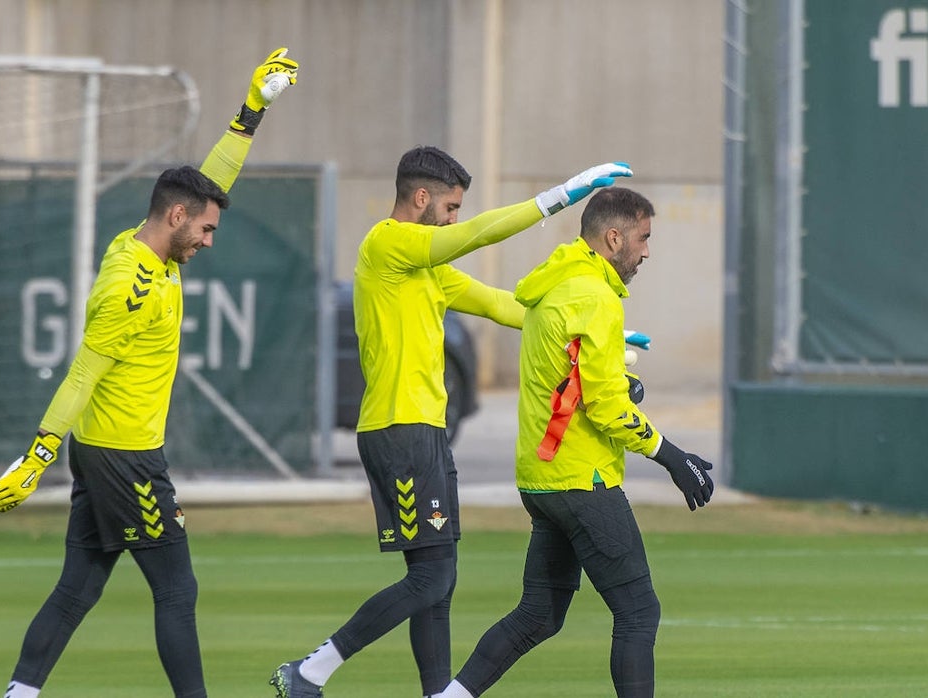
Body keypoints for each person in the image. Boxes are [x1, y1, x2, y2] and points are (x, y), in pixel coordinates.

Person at [0, 47, 299, 698]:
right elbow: (82, 373)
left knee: (80, 585)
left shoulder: (145, 243)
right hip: (125, 457)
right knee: (177, 589)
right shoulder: (131, 285)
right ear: (176, 218)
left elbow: (210, 184)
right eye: (205, 230)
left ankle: (18, 694)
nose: (209, 240)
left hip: (104, 452)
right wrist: (36, 456)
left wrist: (251, 110)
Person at [269, 148, 633, 698]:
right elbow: (480, 235)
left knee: (437, 583)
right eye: (451, 206)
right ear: (421, 198)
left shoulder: (427, 270)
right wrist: (559, 197)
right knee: (432, 579)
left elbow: (504, 305)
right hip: (400, 430)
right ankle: (311, 670)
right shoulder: (387, 244)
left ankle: (438, 694)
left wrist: (599, 331)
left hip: (424, 433)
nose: (455, 219)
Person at [433, 187, 715, 698]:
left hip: (543, 480)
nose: (647, 251)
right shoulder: (595, 295)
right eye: (643, 238)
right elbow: (605, 407)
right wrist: (671, 456)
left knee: (538, 615)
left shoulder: (555, 284)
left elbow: (570, 377)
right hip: (582, 478)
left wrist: (618, 385)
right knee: (638, 610)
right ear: (613, 238)